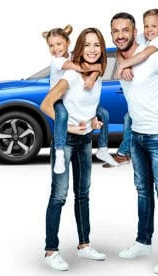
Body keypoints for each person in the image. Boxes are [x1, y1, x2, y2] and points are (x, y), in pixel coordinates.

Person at [110, 12, 158, 274]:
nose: (120, 35)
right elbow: (122, 58)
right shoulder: (121, 60)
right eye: (115, 31)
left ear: (135, 33)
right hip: (137, 138)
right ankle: (143, 241)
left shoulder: (154, 56)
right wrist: (125, 63)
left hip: (157, 137)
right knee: (142, 191)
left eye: (125, 30)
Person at [40, 27, 108, 271]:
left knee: (83, 194)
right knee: (59, 195)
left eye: (97, 45)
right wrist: (68, 127)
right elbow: (46, 104)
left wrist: (92, 122)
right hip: (66, 142)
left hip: (85, 140)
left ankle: (84, 245)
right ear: (79, 47)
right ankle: (50, 251)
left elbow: (86, 109)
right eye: (87, 45)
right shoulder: (69, 75)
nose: (92, 49)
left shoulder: (96, 76)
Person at [105, 9, 158, 181]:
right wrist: (123, 64)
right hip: (151, 93)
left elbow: (144, 54)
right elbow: (122, 48)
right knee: (129, 118)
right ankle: (123, 153)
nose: (149, 30)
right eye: (146, 26)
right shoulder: (142, 38)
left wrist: (124, 64)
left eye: (154, 26)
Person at [41, 25, 117, 174]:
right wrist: (93, 70)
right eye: (51, 45)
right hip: (58, 98)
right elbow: (80, 67)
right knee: (61, 116)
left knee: (104, 113)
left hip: (83, 129)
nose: (55, 48)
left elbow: (97, 66)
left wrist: (94, 75)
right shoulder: (58, 61)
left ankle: (102, 148)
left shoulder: (73, 56)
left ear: (68, 43)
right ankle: (60, 152)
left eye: (58, 44)